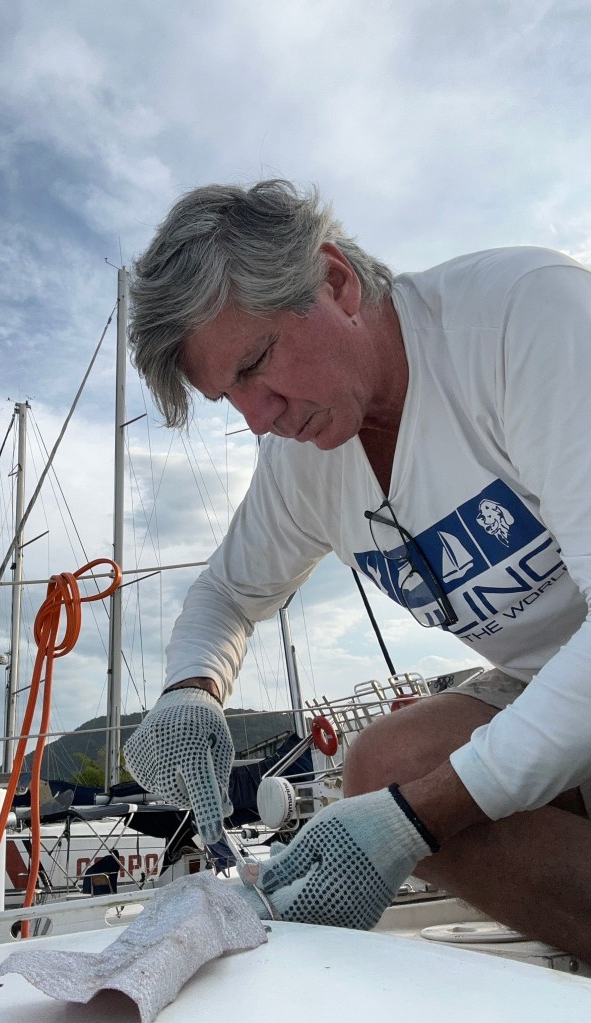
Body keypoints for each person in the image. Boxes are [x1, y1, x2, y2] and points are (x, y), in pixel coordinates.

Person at [122, 179, 591, 960]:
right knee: (386, 765)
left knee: (409, 792)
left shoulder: (524, 316)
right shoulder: (302, 462)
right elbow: (226, 593)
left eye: (257, 362)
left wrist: (417, 817)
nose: (258, 418)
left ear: (334, 280)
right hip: (550, 684)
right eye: (230, 396)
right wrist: (190, 689)